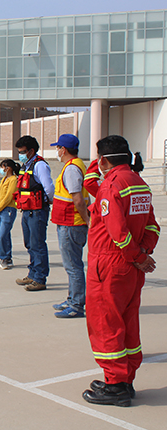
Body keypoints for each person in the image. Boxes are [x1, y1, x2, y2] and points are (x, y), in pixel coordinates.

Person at [82, 135, 160, 407]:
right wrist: (143, 255)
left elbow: (117, 232)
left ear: (102, 160)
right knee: (127, 323)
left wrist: (138, 256)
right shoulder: (139, 183)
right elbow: (152, 225)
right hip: (130, 268)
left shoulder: (111, 185)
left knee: (105, 323)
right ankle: (125, 379)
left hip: (110, 265)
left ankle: (115, 386)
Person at [49, 134, 90, 318]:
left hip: (71, 223)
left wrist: (87, 221)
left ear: (63, 149)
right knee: (72, 265)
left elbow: (78, 200)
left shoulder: (72, 169)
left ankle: (76, 305)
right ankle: (72, 298)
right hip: (70, 222)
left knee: (73, 266)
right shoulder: (76, 165)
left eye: (58, 148)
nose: (57, 151)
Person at [14, 135, 54, 291]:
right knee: (29, 244)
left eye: (23, 152)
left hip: (37, 211)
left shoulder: (40, 165)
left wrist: (47, 201)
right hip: (26, 210)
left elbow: (49, 188)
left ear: (31, 151)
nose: (20, 155)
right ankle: (32, 273)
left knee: (37, 244)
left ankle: (40, 278)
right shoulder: (25, 165)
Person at [0, 159, 19, 269]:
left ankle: (5, 258)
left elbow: (9, 197)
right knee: (4, 235)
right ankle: (5, 257)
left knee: (3, 235)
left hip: (8, 210)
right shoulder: (4, 179)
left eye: (3, 167)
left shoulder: (13, 180)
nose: (2, 170)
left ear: (8, 168)